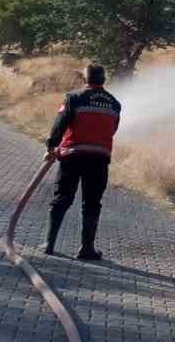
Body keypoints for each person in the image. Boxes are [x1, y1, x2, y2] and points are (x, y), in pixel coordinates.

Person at [44, 63, 121, 260]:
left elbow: (60, 123)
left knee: (62, 198)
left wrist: (51, 147)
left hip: (73, 156)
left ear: (85, 80)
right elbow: (112, 130)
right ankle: (86, 249)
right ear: (103, 80)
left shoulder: (74, 98)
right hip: (99, 159)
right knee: (92, 203)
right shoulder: (114, 103)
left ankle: (49, 244)